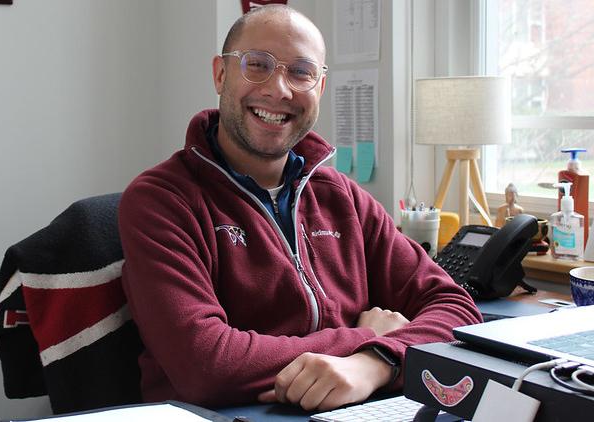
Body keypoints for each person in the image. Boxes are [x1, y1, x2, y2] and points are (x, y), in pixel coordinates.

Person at [118, 4, 481, 412]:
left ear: (320, 88)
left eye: (300, 72)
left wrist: (374, 364)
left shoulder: (342, 197)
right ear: (221, 74)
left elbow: (458, 310)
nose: (280, 90)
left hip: (357, 409)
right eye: (257, 65)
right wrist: (362, 338)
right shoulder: (161, 201)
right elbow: (205, 364)